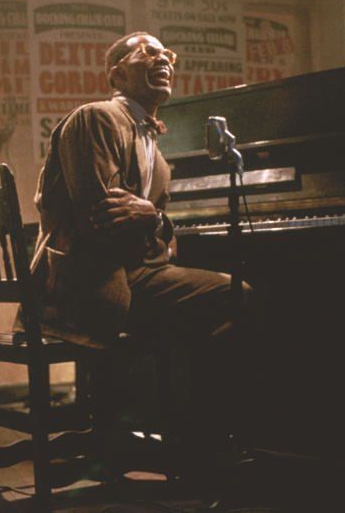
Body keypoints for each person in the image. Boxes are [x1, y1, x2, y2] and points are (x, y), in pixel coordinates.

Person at [22, 31, 252, 479]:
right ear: (118, 73)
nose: (163, 57)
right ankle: (186, 446)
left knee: (222, 302)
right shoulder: (96, 119)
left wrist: (152, 219)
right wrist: (155, 225)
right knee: (235, 297)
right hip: (87, 284)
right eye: (147, 50)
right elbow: (103, 220)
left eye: (167, 52)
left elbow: (152, 226)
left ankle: (184, 440)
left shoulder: (156, 151)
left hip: (133, 276)